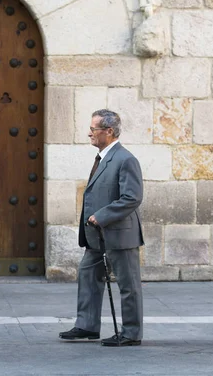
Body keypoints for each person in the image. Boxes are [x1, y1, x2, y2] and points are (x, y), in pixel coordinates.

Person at [59, 109, 144, 347]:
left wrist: (102, 216)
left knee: (128, 286)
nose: (89, 133)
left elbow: (132, 198)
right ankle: (87, 325)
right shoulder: (103, 158)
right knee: (87, 274)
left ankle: (131, 332)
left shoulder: (125, 159)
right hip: (97, 236)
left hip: (119, 235)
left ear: (109, 131)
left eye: (94, 129)